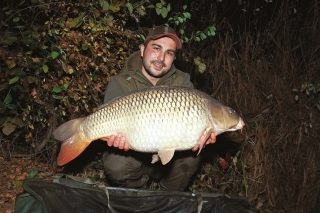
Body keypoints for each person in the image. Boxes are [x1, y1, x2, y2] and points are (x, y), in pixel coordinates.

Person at [100, 26, 216, 191]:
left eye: (169, 53)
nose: (161, 58)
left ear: (174, 58)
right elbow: (109, 126)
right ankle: (138, 195)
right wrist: (115, 138)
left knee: (191, 159)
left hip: (170, 161)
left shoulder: (183, 82)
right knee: (116, 163)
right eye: (156, 48)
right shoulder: (120, 82)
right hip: (133, 158)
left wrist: (202, 134)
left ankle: (166, 198)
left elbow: (191, 129)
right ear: (142, 50)